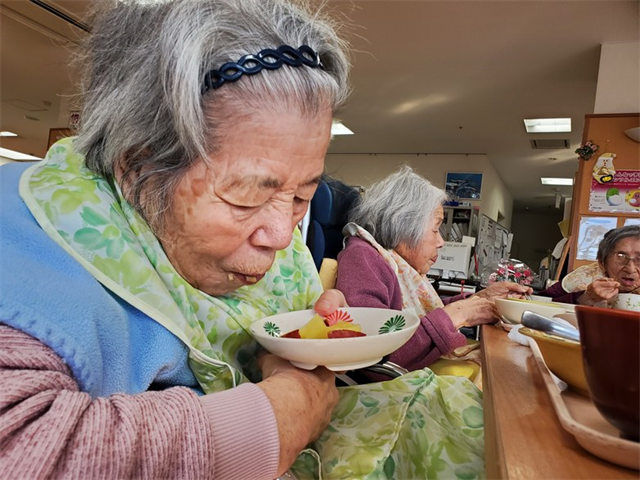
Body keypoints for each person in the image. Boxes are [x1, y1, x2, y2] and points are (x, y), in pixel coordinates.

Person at [1, 1, 488, 479]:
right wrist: (280, 411)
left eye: (301, 198)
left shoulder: (276, 240)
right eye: (243, 199)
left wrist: (309, 333)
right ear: (137, 171)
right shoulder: (30, 239)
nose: (281, 238)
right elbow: (22, 448)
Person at [336, 166, 531, 376]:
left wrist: (479, 300)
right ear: (405, 225)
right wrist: (461, 314)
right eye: (436, 229)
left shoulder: (394, 262)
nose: (441, 242)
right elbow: (375, 355)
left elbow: (424, 315)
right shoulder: (362, 257)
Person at [540, 225, 640, 305]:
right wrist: (585, 298)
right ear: (602, 263)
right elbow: (542, 303)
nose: (630, 269)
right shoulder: (584, 276)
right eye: (621, 256)